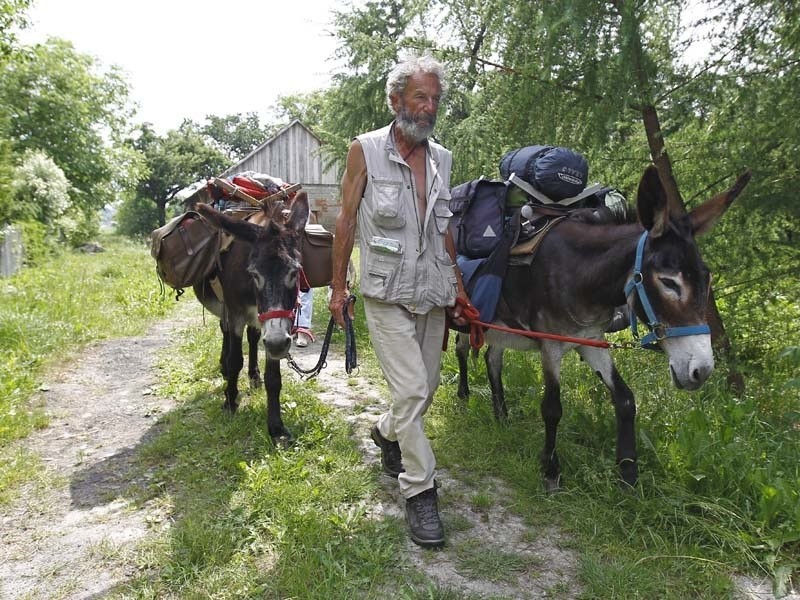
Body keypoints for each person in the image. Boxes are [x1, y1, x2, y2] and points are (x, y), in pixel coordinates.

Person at [329, 54, 471, 548]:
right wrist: (338, 287)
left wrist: (460, 290)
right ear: (395, 101)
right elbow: (345, 220)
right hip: (386, 292)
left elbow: (445, 227)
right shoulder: (364, 151)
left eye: (435, 99)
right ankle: (420, 491)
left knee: (423, 391)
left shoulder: (442, 158)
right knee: (412, 390)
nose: (429, 108)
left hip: (432, 291)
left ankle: (387, 433)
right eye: (420, 98)